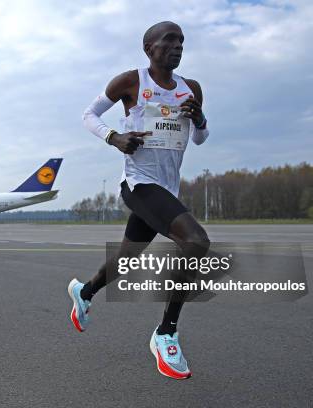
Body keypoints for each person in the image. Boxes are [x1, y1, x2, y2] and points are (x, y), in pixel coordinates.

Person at [69, 21, 210, 380]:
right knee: (196, 242)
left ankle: (84, 291)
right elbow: (88, 115)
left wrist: (201, 119)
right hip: (139, 183)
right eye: (169, 40)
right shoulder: (131, 82)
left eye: (181, 41)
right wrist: (114, 137)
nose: (177, 46)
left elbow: (200, 140)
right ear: (149, 48)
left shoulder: (190, 89)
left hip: (166, 188)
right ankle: (166, 334)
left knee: (125, 260)